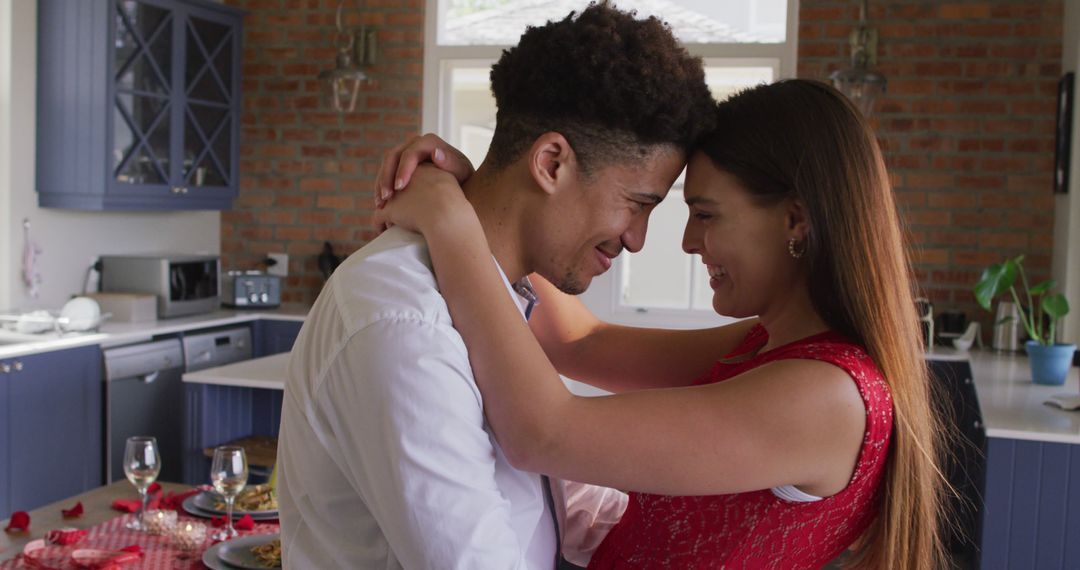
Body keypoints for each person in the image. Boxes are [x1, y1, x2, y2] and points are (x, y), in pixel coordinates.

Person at [375, 79, 946, 569]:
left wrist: (451, 224)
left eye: (705, 215)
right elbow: (580, 342)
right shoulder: (772, 348)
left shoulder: (827, 396)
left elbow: (542, 433)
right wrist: (490, 196)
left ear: (795, 219)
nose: (687, 241)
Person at [275, 3, 717, 568]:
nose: (637, 239)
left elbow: (551, 501)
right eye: (637, 204)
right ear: (551, 162)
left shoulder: (502, 295)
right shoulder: (403, 322)